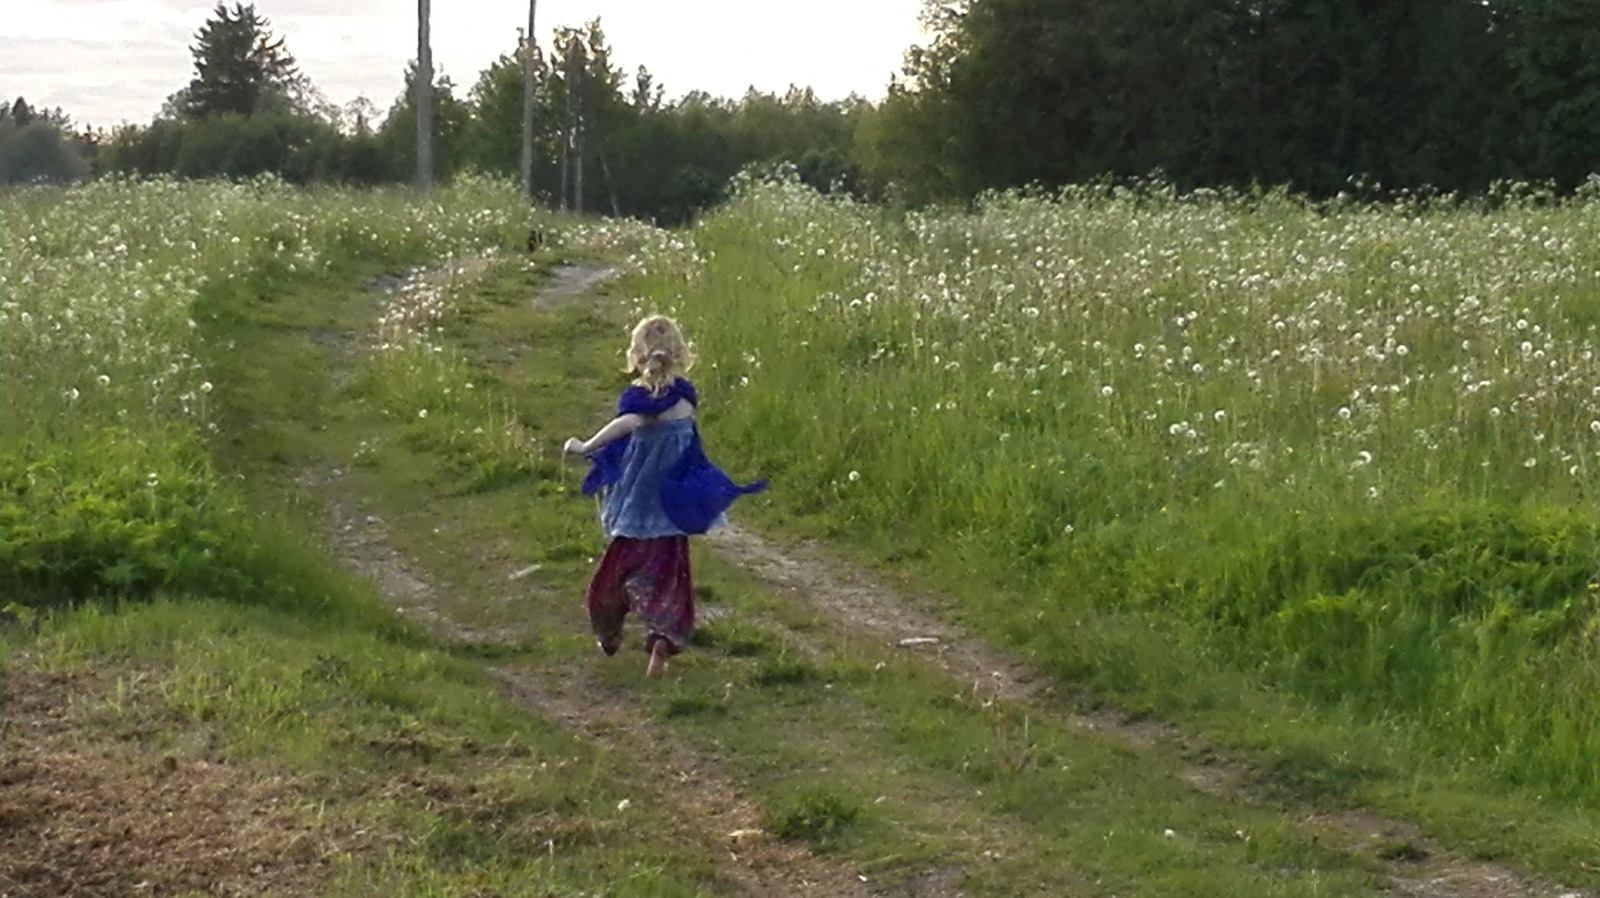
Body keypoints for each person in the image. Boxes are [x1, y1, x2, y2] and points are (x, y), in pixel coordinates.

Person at [562, 315, 765, 677]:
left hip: (637, 511)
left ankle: (609, 631)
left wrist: (585, 445)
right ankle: (662, 640)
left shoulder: (641, 402)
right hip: (671, 513)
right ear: (679, 352)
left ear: (637, 355)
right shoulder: (685, 399)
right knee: (670, 581)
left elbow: (627, 423)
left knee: (613, 578)